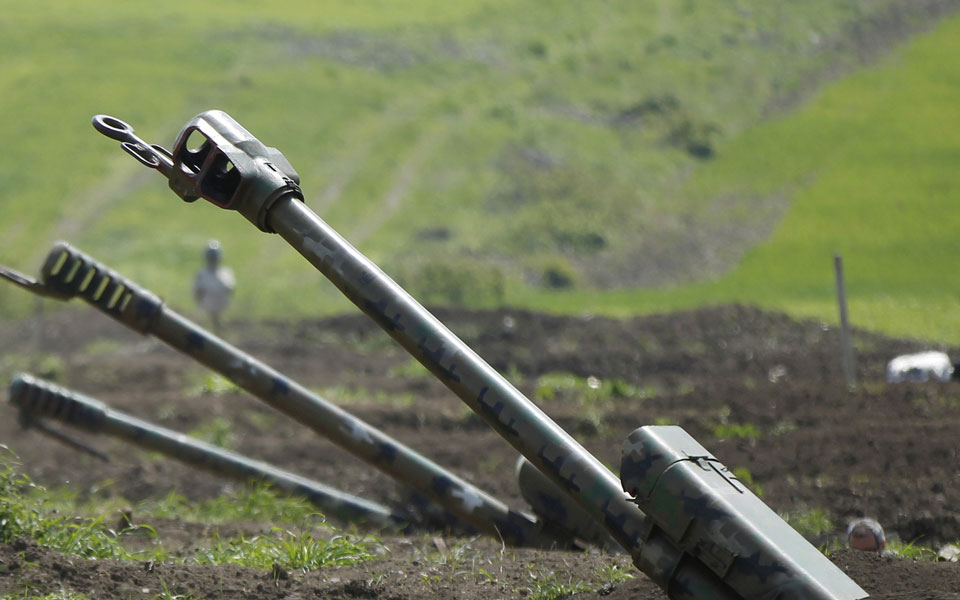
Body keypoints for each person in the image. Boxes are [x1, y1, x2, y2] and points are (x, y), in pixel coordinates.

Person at [193, 240, 235, 332]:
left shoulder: (226, 273)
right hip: (205, 310)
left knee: (220, 329)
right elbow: (197, 293)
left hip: (221, 310)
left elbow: (230, 291)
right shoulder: (201, 274)